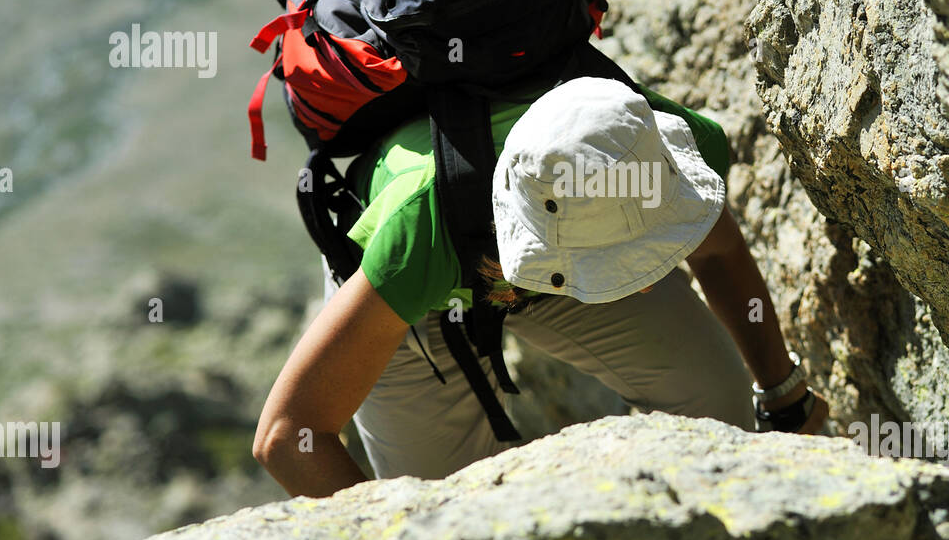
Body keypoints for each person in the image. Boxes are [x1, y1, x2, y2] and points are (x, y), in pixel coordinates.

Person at [253, 75, 829, 497]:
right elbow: (288, 436)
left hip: (551, 243)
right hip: (424, 295)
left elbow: (723, 251)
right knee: (450, 516)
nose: (648, 283)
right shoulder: (417, 233)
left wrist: (782, 390)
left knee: (717, 407)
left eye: (650, 255)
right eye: (626, 266)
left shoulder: (653, 139)